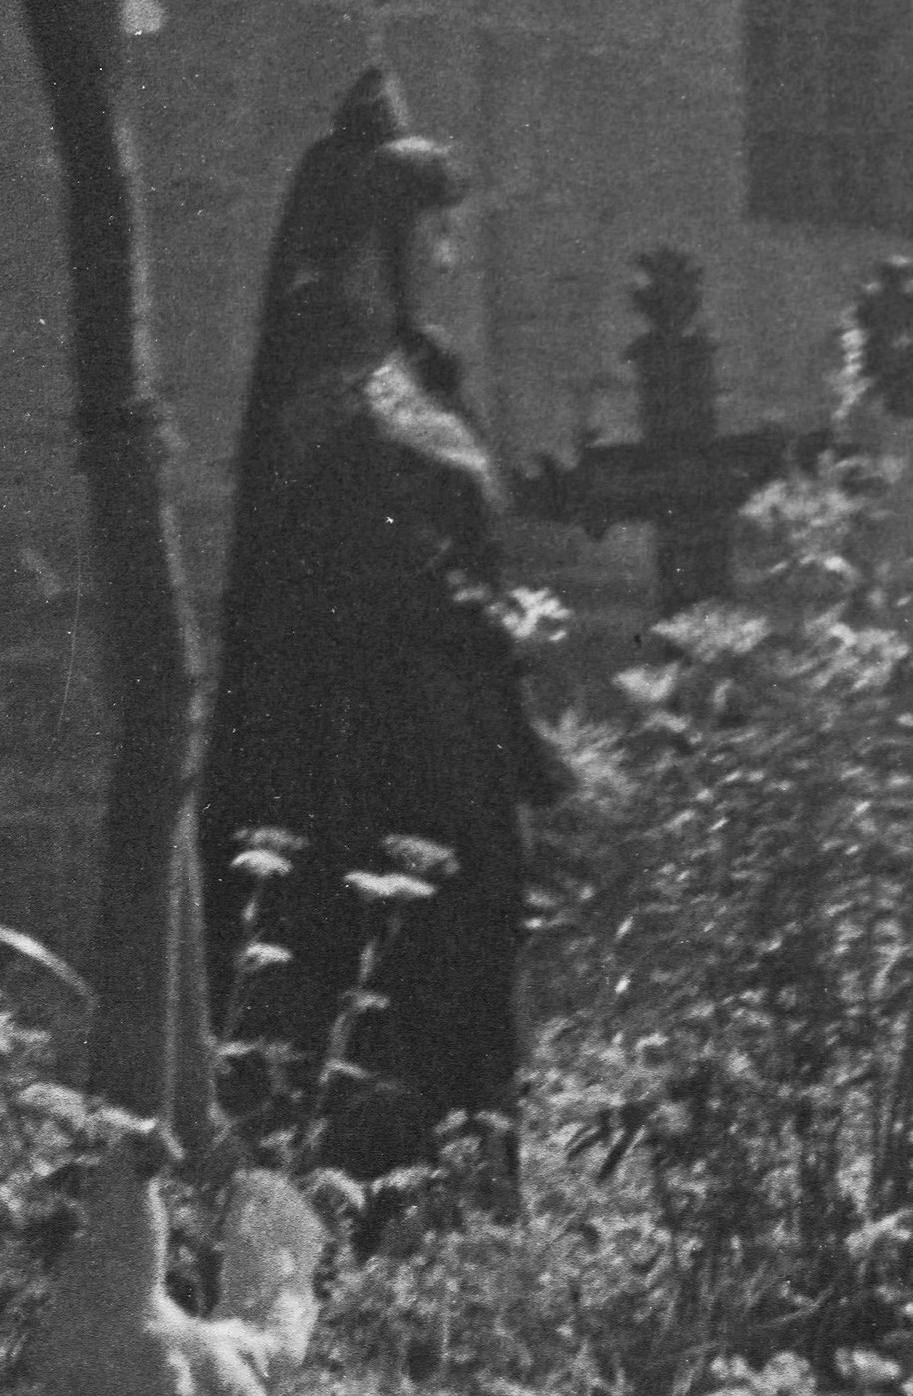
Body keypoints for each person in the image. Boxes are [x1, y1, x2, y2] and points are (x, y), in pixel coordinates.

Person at [203, 66, 568, 1200]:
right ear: (380, 239)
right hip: (369, 748)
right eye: (432, 232)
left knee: (468, 979)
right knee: (384, 988)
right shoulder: (325, 384)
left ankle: (467, 1220)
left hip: (453, 735)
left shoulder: (418, 373)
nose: (449, 256)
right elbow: (377, 569)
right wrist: (488, 622)